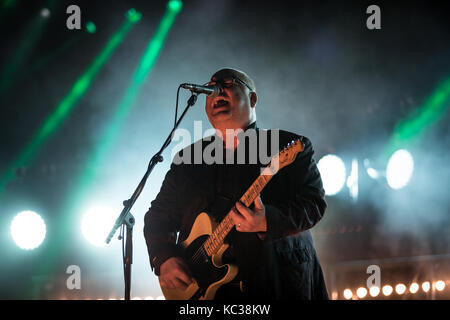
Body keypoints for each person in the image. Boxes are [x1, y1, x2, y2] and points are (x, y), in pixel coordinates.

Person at [144, 68, 329, 300]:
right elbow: (158, 216)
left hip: (277, 284)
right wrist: (163, 258)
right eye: (211, 87)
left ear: (252, 98)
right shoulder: (187, 160)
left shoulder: (286, 145)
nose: (217, 90)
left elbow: (314, 204)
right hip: (206, 293)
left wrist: (267, 221)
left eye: (229, 84)